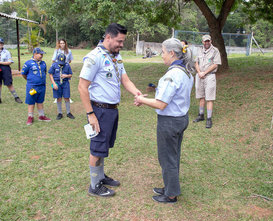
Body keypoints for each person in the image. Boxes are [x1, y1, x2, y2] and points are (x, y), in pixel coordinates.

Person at [78, 23, 142, 197]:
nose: (121, 45)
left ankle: (100, 177)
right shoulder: (94, 57)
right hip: (99, 111)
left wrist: (137, 94)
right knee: (96, 147)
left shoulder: (116, 57)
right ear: (108, 37)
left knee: (104, 147)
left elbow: (125, 80)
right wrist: (91, 115)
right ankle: (94, 185)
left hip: (112, 111)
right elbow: (82, 87)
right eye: (119, 41)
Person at [134, 38, 194, 204]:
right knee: (173, 156)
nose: (162, 55)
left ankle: (171, 195)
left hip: (170, 122)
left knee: (168, 158)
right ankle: (169, 187)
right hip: (180, 119)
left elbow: (161, 104)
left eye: (163, 52)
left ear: (172, 53)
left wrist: (141, 99)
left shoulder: (173, 74)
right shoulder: (186, 71)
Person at [193, 34, 221, 128]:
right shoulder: (199, 50)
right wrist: (199, 72)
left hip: (209, 76)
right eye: (205, 41)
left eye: (208, 41)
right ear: (202, 42)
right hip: (199, 76)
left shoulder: (215, 51)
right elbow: (196, 62)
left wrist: (204, 73)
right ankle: (201, 115)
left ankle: (209, 119)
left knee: (209, 97)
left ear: (211, 41)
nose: (207, 43)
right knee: (201, 96)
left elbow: (215, 64)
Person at [22, 47, 51, 125]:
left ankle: (41, 116)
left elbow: (44, 72)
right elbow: (24, 74)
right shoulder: (28, 63)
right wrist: (31, 81)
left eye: (42, 54)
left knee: (40, 101)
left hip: (41, 86)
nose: (41, 56)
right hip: (32, 87)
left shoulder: (43, 63)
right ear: (35, 54)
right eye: (40, 54)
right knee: (31, 101)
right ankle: (30, 117)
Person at [49, 53, 75, 120]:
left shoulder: (67, 65)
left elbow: (70, 74)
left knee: (67, 97)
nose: (61, 64)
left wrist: (66, 76)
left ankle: (68, 112)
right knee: (58, 98)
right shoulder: (54, 65)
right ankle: (60, 113)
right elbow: (50, 74)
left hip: (65, 83)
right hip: (57, 83)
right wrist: (53, 83)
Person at [0, 38, 23, 104]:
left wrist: (1, 62)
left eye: (1, 43)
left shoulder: (6, 52)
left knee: (9, 83)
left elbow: (10, 62)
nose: (0, 44)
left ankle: (16, 97)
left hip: (5, 68)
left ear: (3, 44)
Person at [52, 39, 74, 103]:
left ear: (65, 44)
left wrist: (66, 67)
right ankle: (57, 97)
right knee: (57, 82)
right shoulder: (56, 51)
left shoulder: (69, 51)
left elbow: (70, 60)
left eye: (63, 43)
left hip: (65, 68)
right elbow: (54, 59)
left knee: (66, 83)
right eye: (61, 43)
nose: (62, 45)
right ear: (59, 44)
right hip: (58, 68)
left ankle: (68, 97)